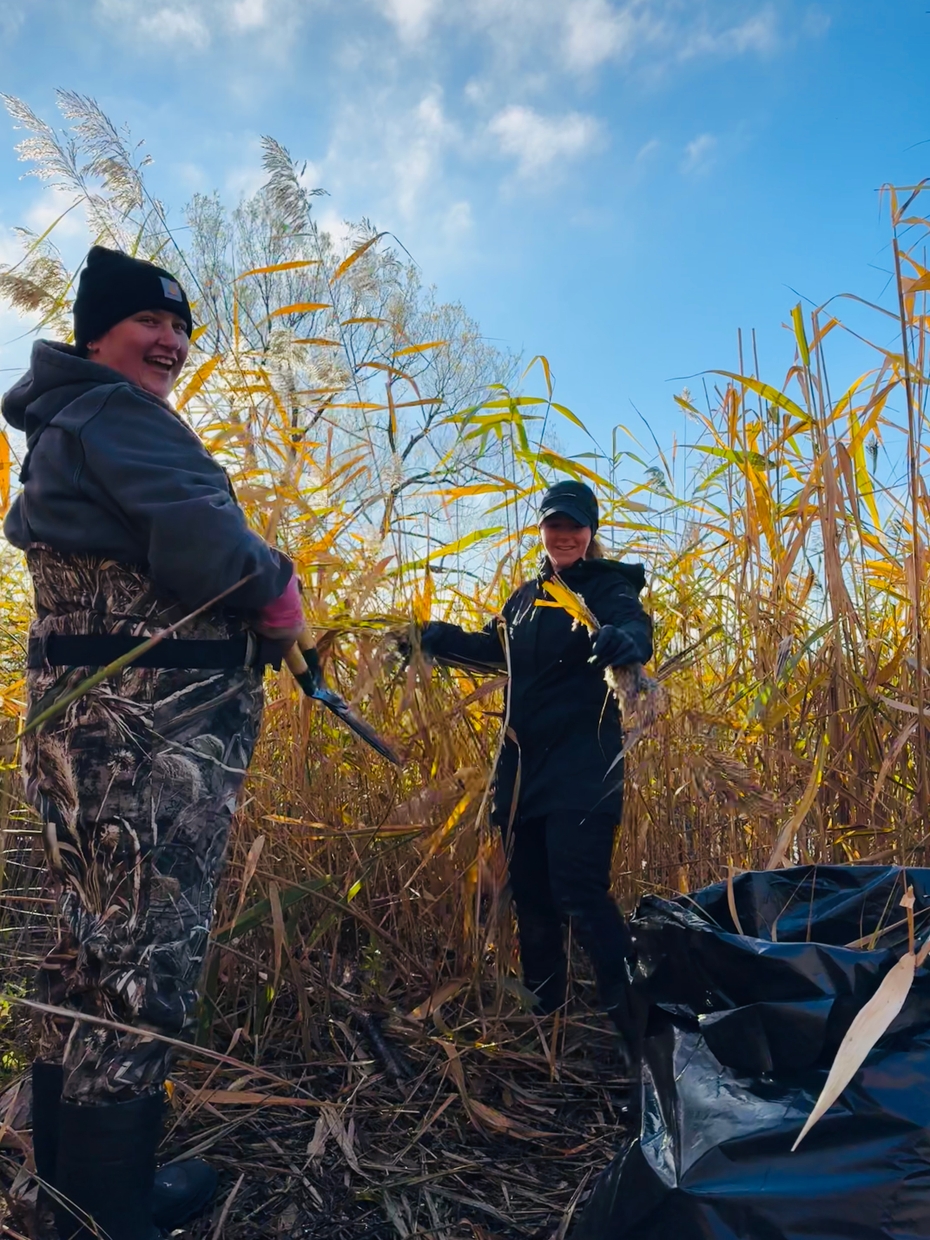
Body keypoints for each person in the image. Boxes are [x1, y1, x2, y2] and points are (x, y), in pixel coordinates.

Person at [2, 245, 305, 1240]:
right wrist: (278, 582)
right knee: (141, 966)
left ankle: (67, 1191)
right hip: (142, 745)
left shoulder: (67, 423)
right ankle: (110, 1210)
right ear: (98, 332)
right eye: (150, 322)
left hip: (85, 733)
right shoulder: (120, 414)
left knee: (87, 954)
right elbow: (215, 557)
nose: (171, 341)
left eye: (181, 329)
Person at [414, 480, 652, 1057]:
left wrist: (625, 641)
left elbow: (634, 627)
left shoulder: (606, 588)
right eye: (554, 524)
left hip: (584, 768)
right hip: (522, 770)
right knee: (534, 898)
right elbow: (494, 648)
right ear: (541, 530)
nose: (563, 535)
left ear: (590, 531)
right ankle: (547, 1019)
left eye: (574, 525)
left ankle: (637, 1031)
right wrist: (427, 639)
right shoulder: (525, 599)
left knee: (581, 891)